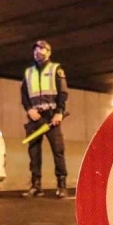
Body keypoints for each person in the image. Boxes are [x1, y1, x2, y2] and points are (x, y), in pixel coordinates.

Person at [21, 40, 69, 198]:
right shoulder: (28, 73)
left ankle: (61, 185)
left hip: (51, 116)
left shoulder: (56, 69)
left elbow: (62, 92)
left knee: (58, 151)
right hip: (35, 117)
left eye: (41, 49)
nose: (37, 51)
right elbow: (24, 95)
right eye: (35, 49)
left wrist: (59, 112)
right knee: (34, 152)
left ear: (49, 52)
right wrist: (29, 110)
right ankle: (36, 185)